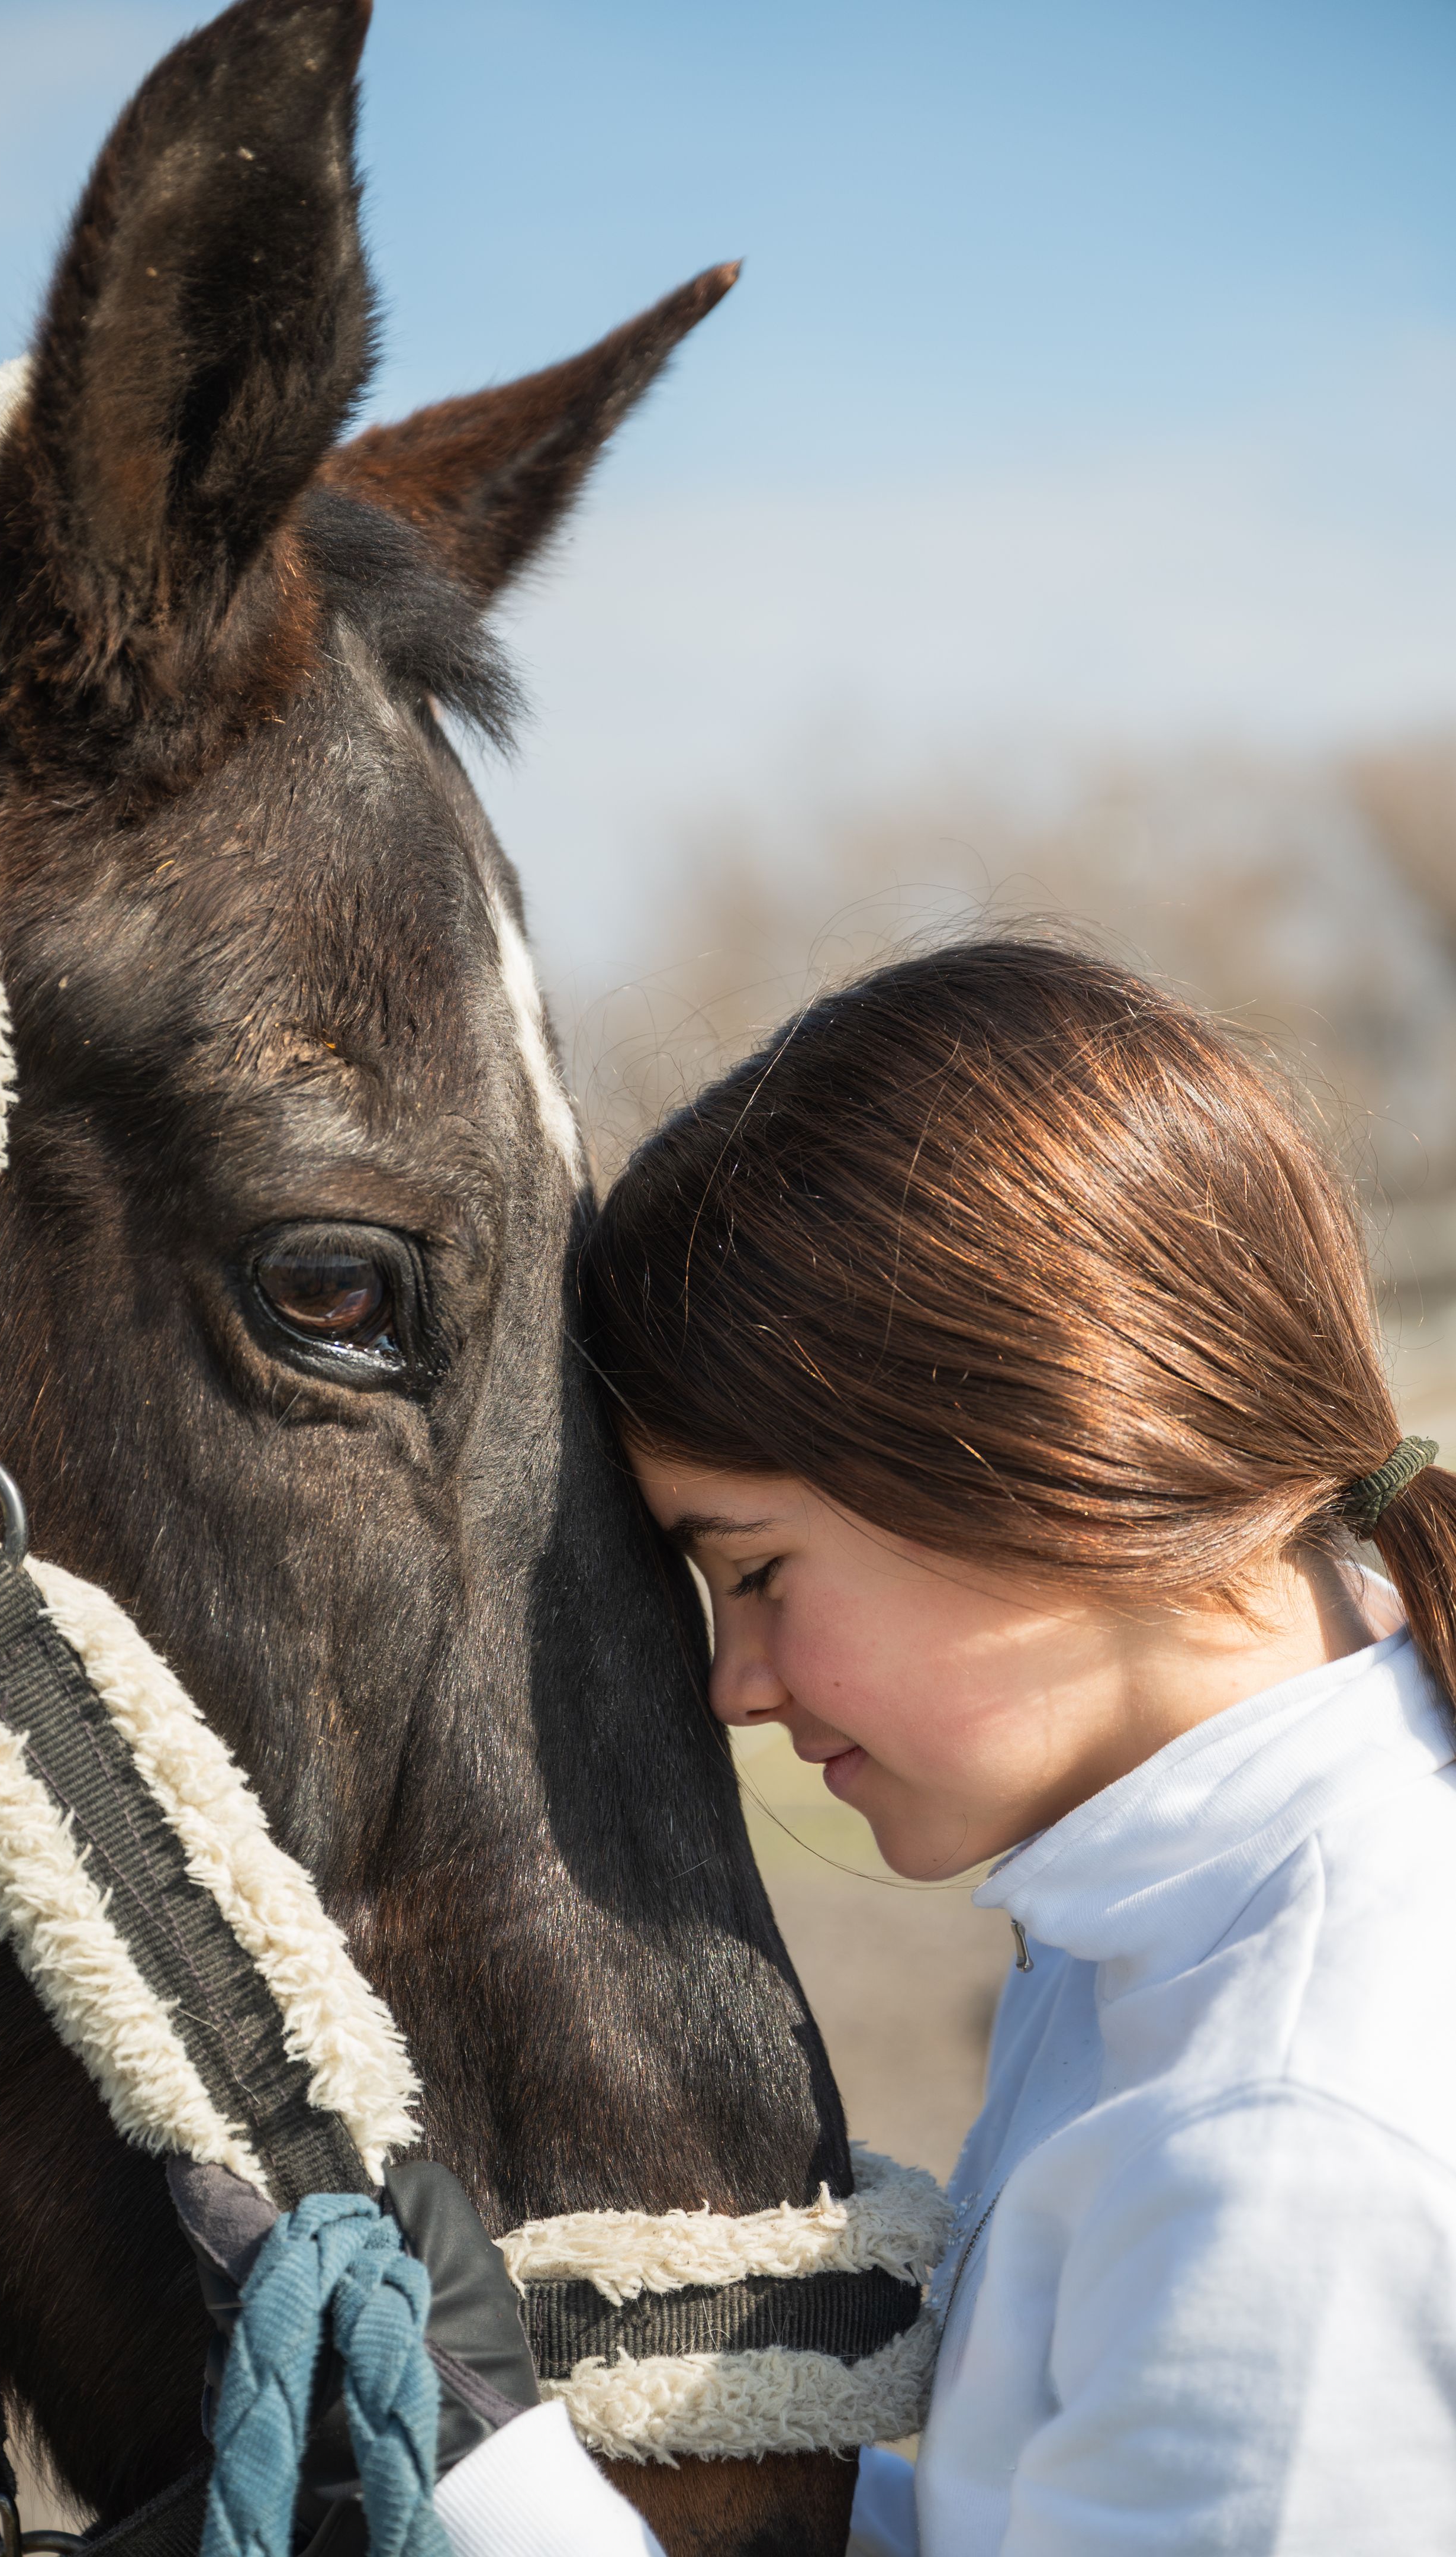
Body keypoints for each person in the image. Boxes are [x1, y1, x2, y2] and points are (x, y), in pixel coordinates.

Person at [557, 936, 1456, 2555]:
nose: (733, 1686)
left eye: (751, 1572)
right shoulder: (1173, 1933)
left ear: (1052, 1441)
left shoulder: (1279, 2143)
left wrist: (502, 2513)